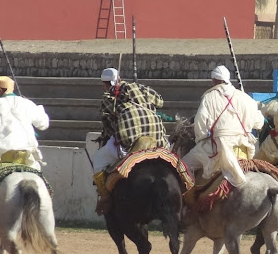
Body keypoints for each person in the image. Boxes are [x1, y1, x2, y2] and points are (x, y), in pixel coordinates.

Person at [92, 68, 166, 213]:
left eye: (104, 84)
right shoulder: (140, 88)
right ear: (120, 78)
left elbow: (108, 125)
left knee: (98, 160)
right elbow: (160, 102)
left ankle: (105, 197)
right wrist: (141, 96)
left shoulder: (109, 99)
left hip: (132, 140)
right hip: (157, 136)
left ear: (106, 84)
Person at [182, 66, 264, 188]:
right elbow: (259, 123)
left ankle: (189, 199)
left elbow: (200, 125)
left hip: (218, 147)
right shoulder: (245, 97)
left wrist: (202, 138)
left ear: (214, 80)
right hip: (244, 147)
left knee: (183, 166)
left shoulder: (209, 97)